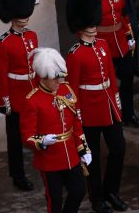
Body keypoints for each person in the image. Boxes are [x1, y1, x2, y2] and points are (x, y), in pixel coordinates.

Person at [64, 0, 127, 213]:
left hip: (108, 105)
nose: (92, 26)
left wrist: (116, 101)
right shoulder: (75, 54)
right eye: (88, 22)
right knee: (92, 158)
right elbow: (71, 88)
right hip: (88, 110)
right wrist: (76, 114)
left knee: (119, 148)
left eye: (93, 22)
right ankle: (97, 198)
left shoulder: (102, 45)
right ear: (80, 25)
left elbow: (110, 75)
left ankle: (111, 190)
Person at [21, 48, 91, 213]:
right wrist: (42, 141)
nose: (58, 82)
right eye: (54, 78)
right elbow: (27, 135)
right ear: (43, 77)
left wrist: (83, 148)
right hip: (49, 160)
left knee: (79, 190)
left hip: (71, 155)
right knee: (55, 199)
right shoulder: (32, 101)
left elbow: (75, 122)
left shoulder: (65, 89)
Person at [0, 0, 38, 191]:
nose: (24, 19)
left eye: (26, 14)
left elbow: (35, 66)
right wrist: (5, 99)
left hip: (32, 92)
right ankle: (17, 174)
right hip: (16, 96)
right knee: (15, 139)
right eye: (20, 15)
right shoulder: (2, 44)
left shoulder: (32, 36)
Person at [91, 0, 139, 127]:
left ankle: (129, 113)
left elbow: (125, 14)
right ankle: (111, 114)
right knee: (107, 81)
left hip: (120, 40)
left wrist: (129, 36)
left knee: (128, 77)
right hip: (103, 43)